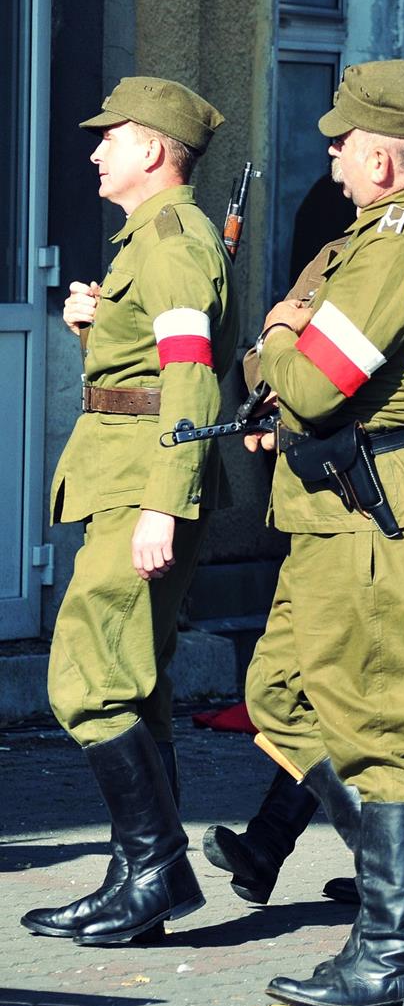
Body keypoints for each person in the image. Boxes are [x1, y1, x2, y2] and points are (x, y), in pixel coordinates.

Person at [238, 59, 404, 1006]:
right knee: (282, 694)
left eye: (343, 143)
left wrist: (274, 335)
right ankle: (402, 892)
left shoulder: (402, 245)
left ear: (382, 159)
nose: (334, 157)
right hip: (341, 504)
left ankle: (393, 951)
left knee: (381, 724)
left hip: (375, 512)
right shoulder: (391, 233)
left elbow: (308, 385)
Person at [21, 78, 233, 946]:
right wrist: (95, 325)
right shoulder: (150, 239)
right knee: (135, 684)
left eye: (109, 138)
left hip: (143, 484)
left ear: (151, 148)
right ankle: (135, 882)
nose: (95, 152)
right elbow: (147, 359)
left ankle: (157, 870)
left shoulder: (173, 241)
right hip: (125, 475)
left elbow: (190, 377)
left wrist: (163, 504)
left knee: (87, 678)